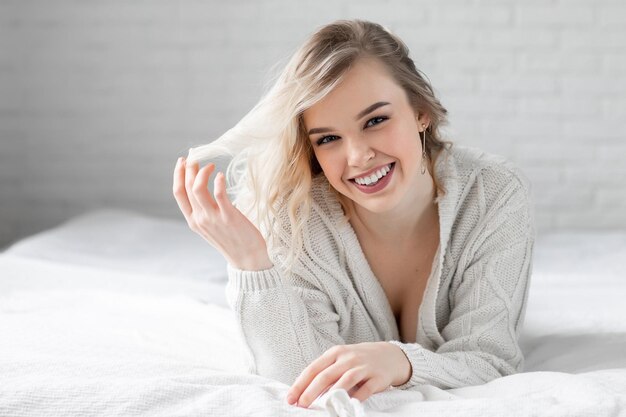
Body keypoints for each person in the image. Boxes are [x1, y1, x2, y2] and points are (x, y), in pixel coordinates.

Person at [172, 19, 535, 409]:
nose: (358, 157)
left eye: (375, 121)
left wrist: (400, 361)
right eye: (328, 139)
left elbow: (490, 359)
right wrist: (251, 264)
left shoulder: (494, 195)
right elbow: (299, 382)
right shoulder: (296, 219)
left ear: (421, 113)